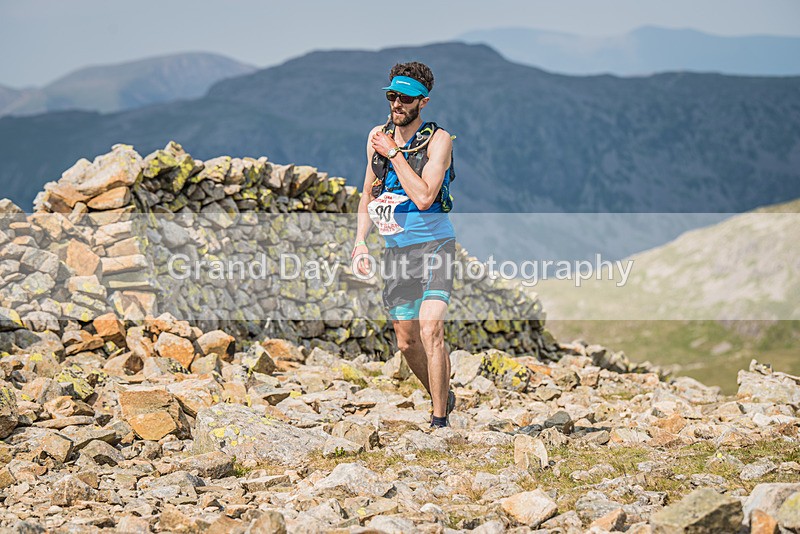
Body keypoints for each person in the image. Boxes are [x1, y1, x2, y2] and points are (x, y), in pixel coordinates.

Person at [352, 61, 457, 429]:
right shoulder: (376, 136)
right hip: (397, 251)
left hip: (435, 245)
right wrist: (360, 243)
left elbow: (426, 196)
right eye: (392, 95)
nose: (397, 103)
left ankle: (439, 421)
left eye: (405, 98)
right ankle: (442, 390)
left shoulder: (438, 140)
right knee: (407, 342)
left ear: (422, 102)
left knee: (430, 328)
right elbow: (367, 193)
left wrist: (395, 153)